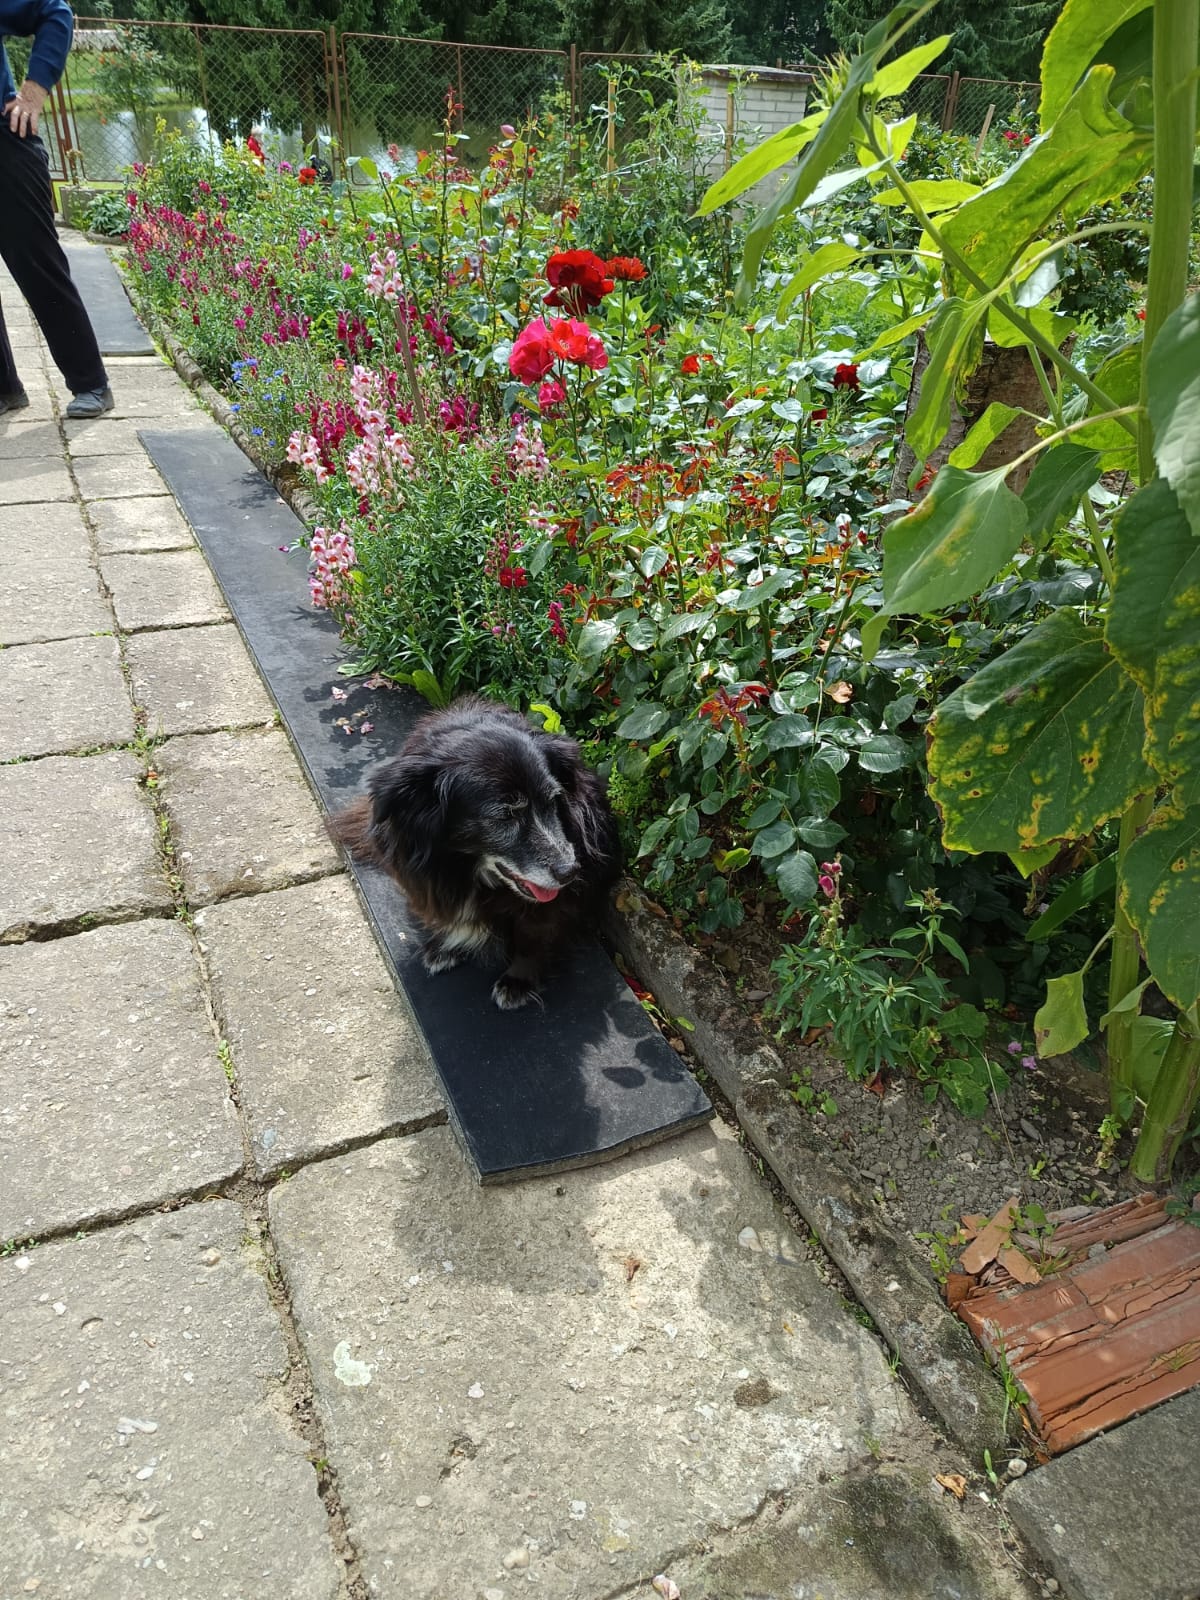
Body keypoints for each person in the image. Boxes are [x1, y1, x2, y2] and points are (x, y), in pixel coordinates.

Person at [0, 0, 112, 418]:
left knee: (38, 266)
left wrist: (33, 92)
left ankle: (91, 384)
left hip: (5, 144)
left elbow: (54, 12)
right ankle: (4, 389)